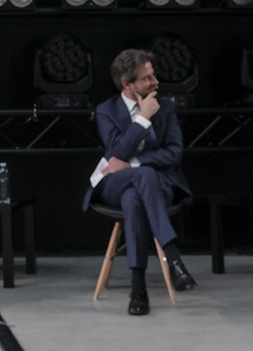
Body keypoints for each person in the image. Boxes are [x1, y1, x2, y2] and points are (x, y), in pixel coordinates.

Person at [83, 49, 195, 316]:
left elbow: (173, 153)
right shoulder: (106, 111)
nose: (155, 81)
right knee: (139, 181)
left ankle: (138, 288)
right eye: (147, 78)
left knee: (134, 196)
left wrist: (135, 163)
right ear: (127, 85)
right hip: (113, 182)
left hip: (160, 184)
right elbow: (117, 152)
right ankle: (174, 258)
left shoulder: (166, 108)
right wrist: (143, 118)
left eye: (153, 74)